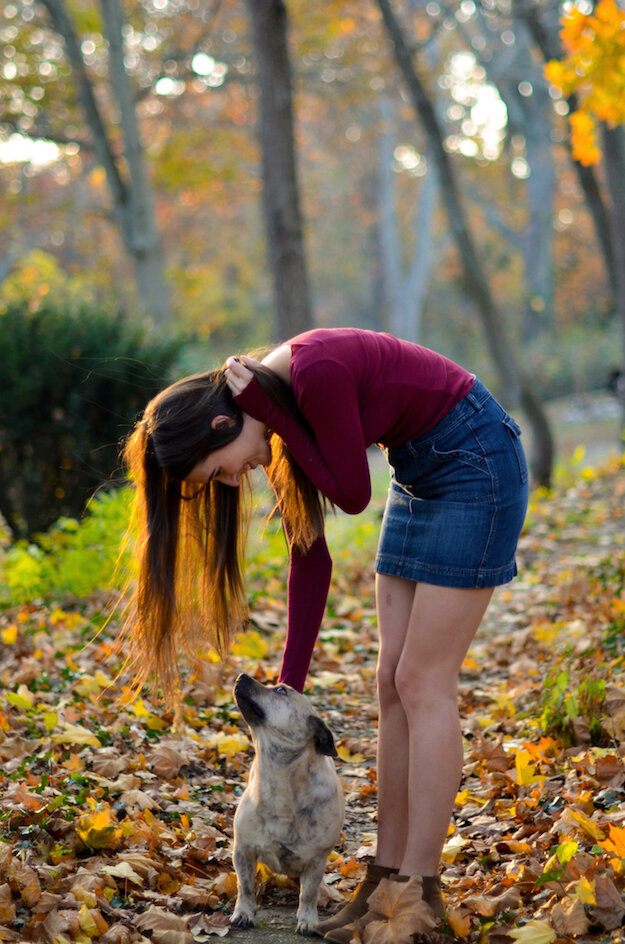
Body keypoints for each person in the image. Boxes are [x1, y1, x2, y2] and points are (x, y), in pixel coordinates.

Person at [123, 327, 528, 942]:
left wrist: (272, 415)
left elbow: (354, 495)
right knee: (390, 681)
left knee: (423, 681)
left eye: (218, 473)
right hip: (421, 469)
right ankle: (384, 881)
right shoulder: (274, 413)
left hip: (474, 460)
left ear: (220, 425)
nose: (233, 482)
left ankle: (419, 892)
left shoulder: (310, 376)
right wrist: (288, 686)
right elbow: (309, 556)